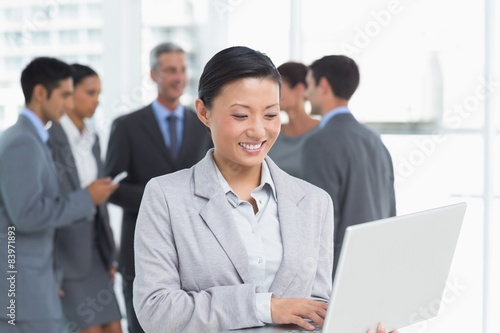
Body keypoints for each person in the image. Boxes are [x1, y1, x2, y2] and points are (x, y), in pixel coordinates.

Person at [132, 46, 396, 333]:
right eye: (241, 116)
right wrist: (265, 307)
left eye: (271, 115)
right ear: (204, 113)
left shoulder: (314, 202)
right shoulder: (166, 197)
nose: (258, 131)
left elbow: (317, 315)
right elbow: (155, 311)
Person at [0, 57, 117, 333]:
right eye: (64, 95)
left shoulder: (30, 139)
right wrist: (87, 198)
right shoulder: (22, 142)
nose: (68, 104)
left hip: (39, 279)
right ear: (41, 93)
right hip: (25, 284)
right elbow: (27, 216)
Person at [105, 42, 212, 333]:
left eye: (182, 70)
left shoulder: (203, 123)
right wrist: (163, 198)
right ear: (153, 75)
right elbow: (111, 187)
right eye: (169, 70)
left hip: (196, 244)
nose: (178, 77)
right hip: (142, 245)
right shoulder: (126, 126)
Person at [302, 55, 396, 279]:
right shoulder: (375, 140)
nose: (306, 94)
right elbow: (390, 212)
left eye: (308, 85)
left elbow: (319, 224)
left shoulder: (319, 142)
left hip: (338, 276)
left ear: (323, 85)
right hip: (376, 270)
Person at [48, 64, 122, 333]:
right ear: (68, 94)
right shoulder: (47, 141)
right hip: (65, 255)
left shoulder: (94, 138)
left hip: (95, 250)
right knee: (89, 329)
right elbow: (44, 207)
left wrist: (108, 255)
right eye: (90, 93)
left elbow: (100, 209)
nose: (97, 100)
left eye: (99, 93)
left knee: (115, 327)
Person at [268, 61, 319, 178]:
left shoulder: (323, 134)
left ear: (299, 89)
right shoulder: (273, 133)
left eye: (279, 87)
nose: (273, 93)